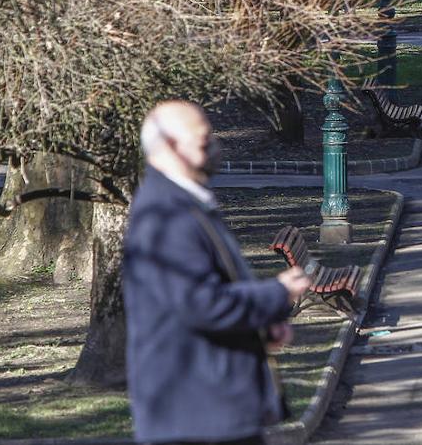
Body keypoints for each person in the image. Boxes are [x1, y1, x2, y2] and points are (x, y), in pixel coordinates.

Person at [124, 101, 312, 445]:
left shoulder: (186, 204)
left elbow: (208, 296)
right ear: (168, 146)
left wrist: (261, 326)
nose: (214, 148)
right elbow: (201, 304)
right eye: (203, 140)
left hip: (213, 409)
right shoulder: (164, 215)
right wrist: (277, 293)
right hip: (195, 416)